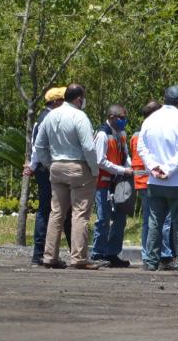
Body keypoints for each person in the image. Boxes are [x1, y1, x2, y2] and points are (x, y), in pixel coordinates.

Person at [33, 84, 101, 270]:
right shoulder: (80, 116)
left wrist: (48, 164)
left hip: (56, 166)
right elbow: (88, 147)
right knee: (80, 213)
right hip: (78, 167)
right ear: (79, 99)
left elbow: (39, 146)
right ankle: (78, 258)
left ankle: (49, 256)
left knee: (56, 213)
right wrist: (94, 169)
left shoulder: (51, 115)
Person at [138, 85, 178, 274]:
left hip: (155, 181)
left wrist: (154, 167)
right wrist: (169, 169)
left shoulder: (151, 119)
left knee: (155, 221)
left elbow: (141, 147)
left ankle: (150, 260)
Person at [23, 86, 72, 266]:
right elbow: (38, 147)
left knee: (60, 210)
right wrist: (35, 165)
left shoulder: (45, 117)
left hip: (46, 168)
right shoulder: (47, 119)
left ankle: (52, 252)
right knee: (47, 210)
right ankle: (39, 253)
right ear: (57, 102)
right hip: (48, 170)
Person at [130, 101, 173, 268]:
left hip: (143, 181)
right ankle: (162, 255)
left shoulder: (136, 135)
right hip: (153, 180)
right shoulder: (154, 133)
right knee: (161, 220)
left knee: (150, 221)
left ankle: (149, 255)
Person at [90, 104, 133, 268]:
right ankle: (98, 253)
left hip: (119, 182)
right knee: (103, 218)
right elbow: (100, 161)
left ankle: (112, 253)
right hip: (104, 183)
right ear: (112, 117)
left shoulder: (121, 134)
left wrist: (128, 168)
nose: (124, 120)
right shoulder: (102, 134)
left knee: (120, 218)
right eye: (121, 117)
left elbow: (125, 155)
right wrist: (123, 170)